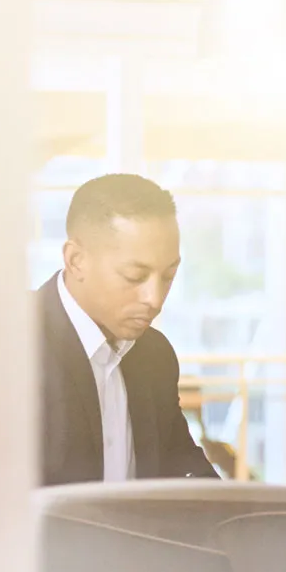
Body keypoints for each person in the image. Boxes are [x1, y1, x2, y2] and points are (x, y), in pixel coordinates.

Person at [38, 173, 216, 486]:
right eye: (135, 276)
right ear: (76, 261)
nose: (155, 299)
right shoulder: (12, 344)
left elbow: (182, 463)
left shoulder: (154, 355)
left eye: (168, 276)